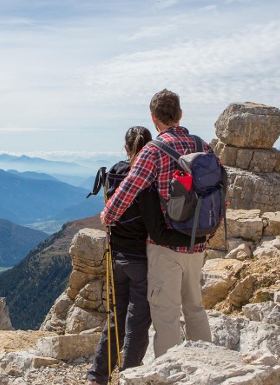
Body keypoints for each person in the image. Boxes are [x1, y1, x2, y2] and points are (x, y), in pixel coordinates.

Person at [100, 89, 213, 358]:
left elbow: (129, 189)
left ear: (154, 119)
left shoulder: (153, 151)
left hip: (165, 247)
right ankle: (208, 364)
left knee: (166, 314)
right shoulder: (203, 145)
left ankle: (168, 373)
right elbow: (219, 193)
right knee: (195, 307)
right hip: (197, 243)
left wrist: (108, 215)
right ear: (180, 115)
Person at [87, 126, 202, 385]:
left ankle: (97, 375)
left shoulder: (114, 173)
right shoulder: (146, 182)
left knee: (115, 316)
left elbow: (111, 212)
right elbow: (157, 230)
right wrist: (193, 239)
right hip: (141, 261)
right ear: (149, 148)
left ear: (126, 148)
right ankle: (128, 376)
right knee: (137, 323)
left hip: (116, 257)